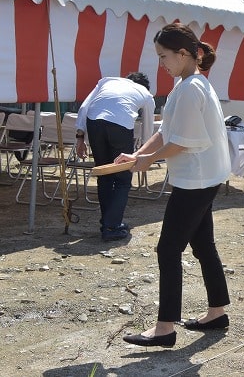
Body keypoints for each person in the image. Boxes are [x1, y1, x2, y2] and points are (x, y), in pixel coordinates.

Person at [118, 23, 232, 347]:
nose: (161, 63)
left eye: (164, 56)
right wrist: (137, 154)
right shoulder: (190, 84)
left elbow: (182, 142)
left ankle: (165, 327)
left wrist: (147, 160)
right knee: (203, 245)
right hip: (202, 178)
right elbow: (167, 130)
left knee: (168, 249)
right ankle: (217, 311)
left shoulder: (191, 87)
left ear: (184, 54)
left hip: (196, 180)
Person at [75, 73, 155, 241]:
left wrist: (80, 138)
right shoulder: (145, 93)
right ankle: (112, 226)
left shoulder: (106, 82)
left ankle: (108, 223)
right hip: (120, 124)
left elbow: (84, 108)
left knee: (104, 176)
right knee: (123, 179)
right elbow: (148, 124)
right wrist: (144, 150)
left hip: (94, 122)